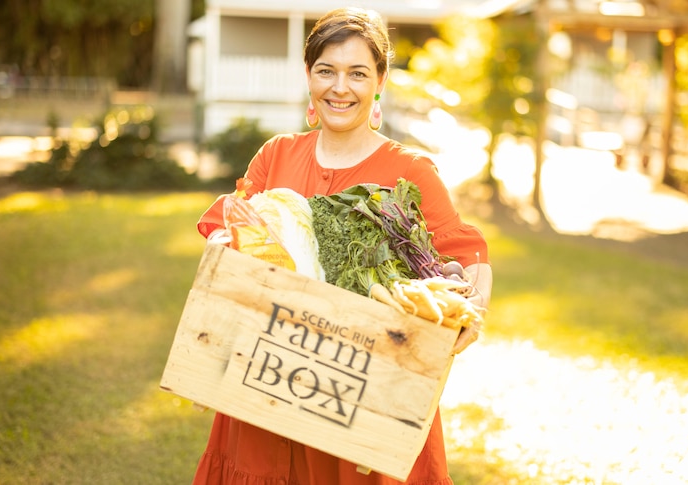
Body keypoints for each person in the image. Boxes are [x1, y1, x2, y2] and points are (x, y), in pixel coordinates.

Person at [193, 7, 493, 484]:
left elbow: (466, 253)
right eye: (326, 71)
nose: (340, 87)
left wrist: (472, 310)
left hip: (362, 398)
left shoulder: (410, 171)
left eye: (357, 73)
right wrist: (228, 242)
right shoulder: (276, 155)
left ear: (380, 80)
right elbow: (228, 221)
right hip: (269, 380)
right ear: (308, 76)